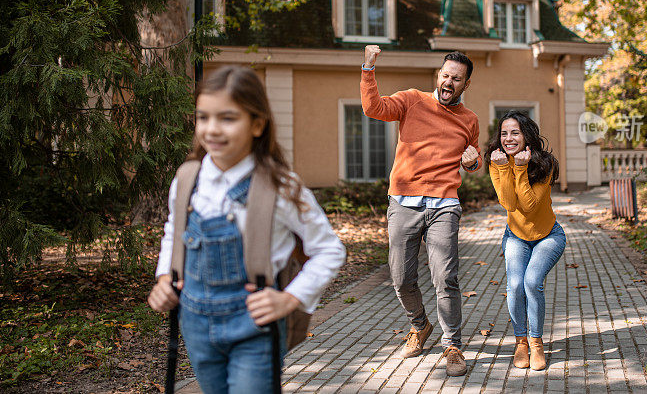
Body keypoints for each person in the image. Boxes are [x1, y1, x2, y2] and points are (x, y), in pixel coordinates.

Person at [148, 66, 345, 393]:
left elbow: (330, 250)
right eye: (203, 117)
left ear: (257, 124)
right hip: (195, 324)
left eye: (227, 118)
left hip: (256, 328)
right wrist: (166, 278)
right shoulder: (187, 179)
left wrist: (290, 298)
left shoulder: (281, 188)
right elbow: (175, 231)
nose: (212, 129)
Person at [360, 45, 480, 377]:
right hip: (404, 201)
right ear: (437, 76)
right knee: (400, 278)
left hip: (444, 204)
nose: (449, 82)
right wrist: (368, 68)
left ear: (465, 85)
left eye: (456, 79)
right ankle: (420, 325)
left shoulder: (469, 120)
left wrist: (473, 162)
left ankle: (453, 345)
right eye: (445, 75)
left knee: (446, 278)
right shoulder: (412, 100)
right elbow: (374, 108)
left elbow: (473, 157)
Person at [486, 110, 565, 371]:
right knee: (516, 284)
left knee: (532, 282)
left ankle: (537, 342)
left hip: (548, 236)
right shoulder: (497, 161)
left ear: (526, 135)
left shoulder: (545, 163)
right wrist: (503, 167)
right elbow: (508, 203)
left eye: (515, 132)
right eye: (504, 133)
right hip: (516, 237)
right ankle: (521, 342)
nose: (508, 138)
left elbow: (529, 206)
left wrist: (520, 169)